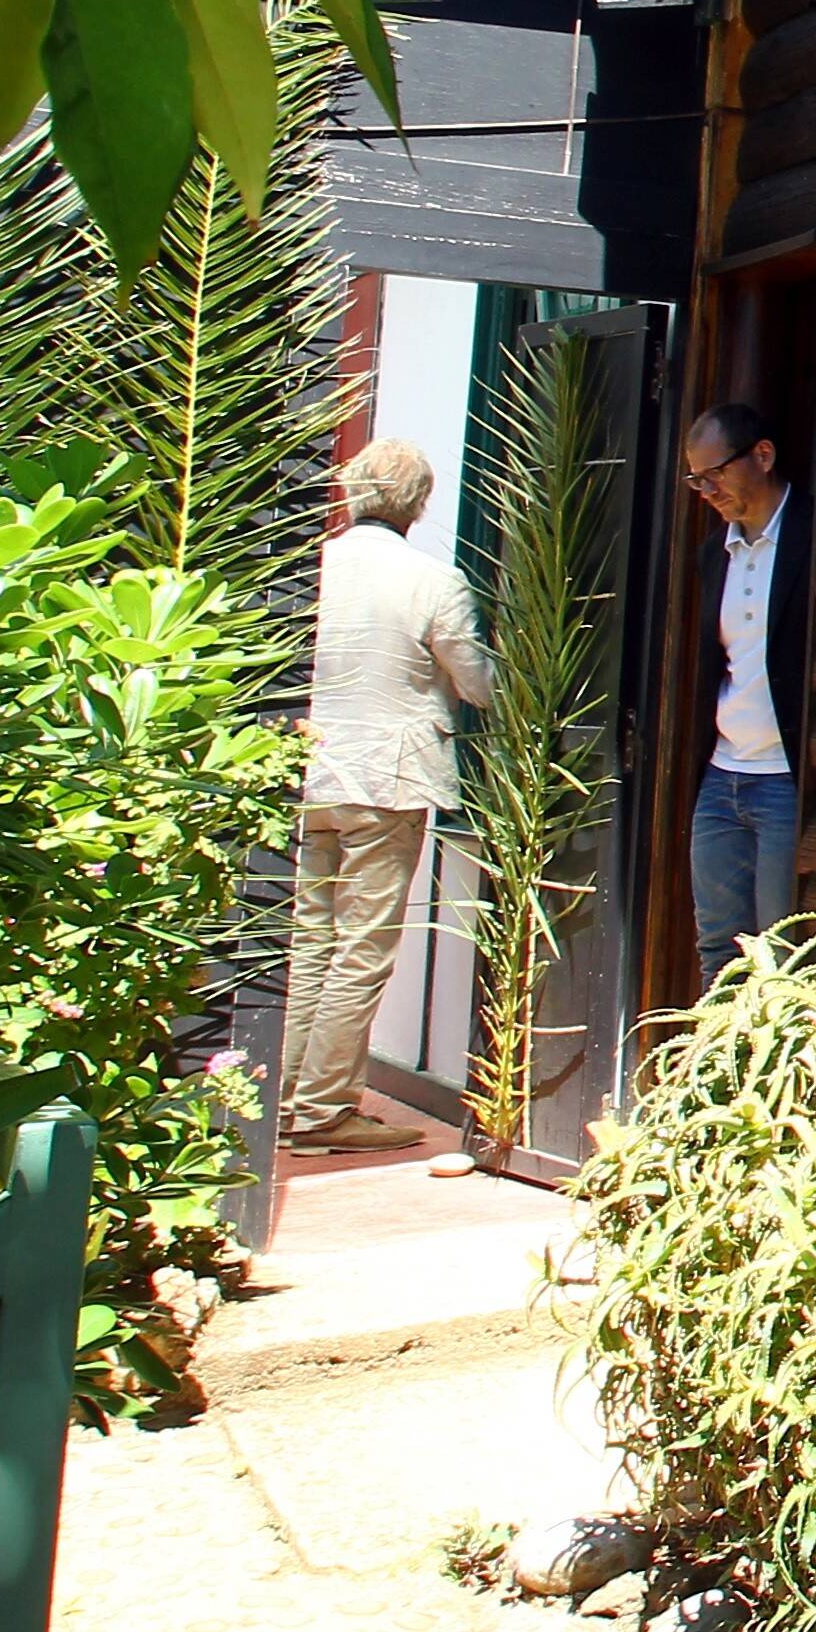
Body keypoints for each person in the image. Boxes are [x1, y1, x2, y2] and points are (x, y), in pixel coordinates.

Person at [288, 438, 493, 1151]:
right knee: (362, 949)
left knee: (311, 940)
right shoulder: (432, 580)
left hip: (311, 774)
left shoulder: (313, 569)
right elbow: (476, 682)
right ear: (419, 502)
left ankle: (285, 1099)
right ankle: (322, 1111)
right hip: (388, 782)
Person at [681, 399, 812, 981]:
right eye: (695, 478)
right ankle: (719, 1072)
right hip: (722, 777)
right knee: (718, 949)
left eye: (715, 473)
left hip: (786, 779)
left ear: (762, 456)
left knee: (782, 958)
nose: (705, 490)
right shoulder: (716, 552)